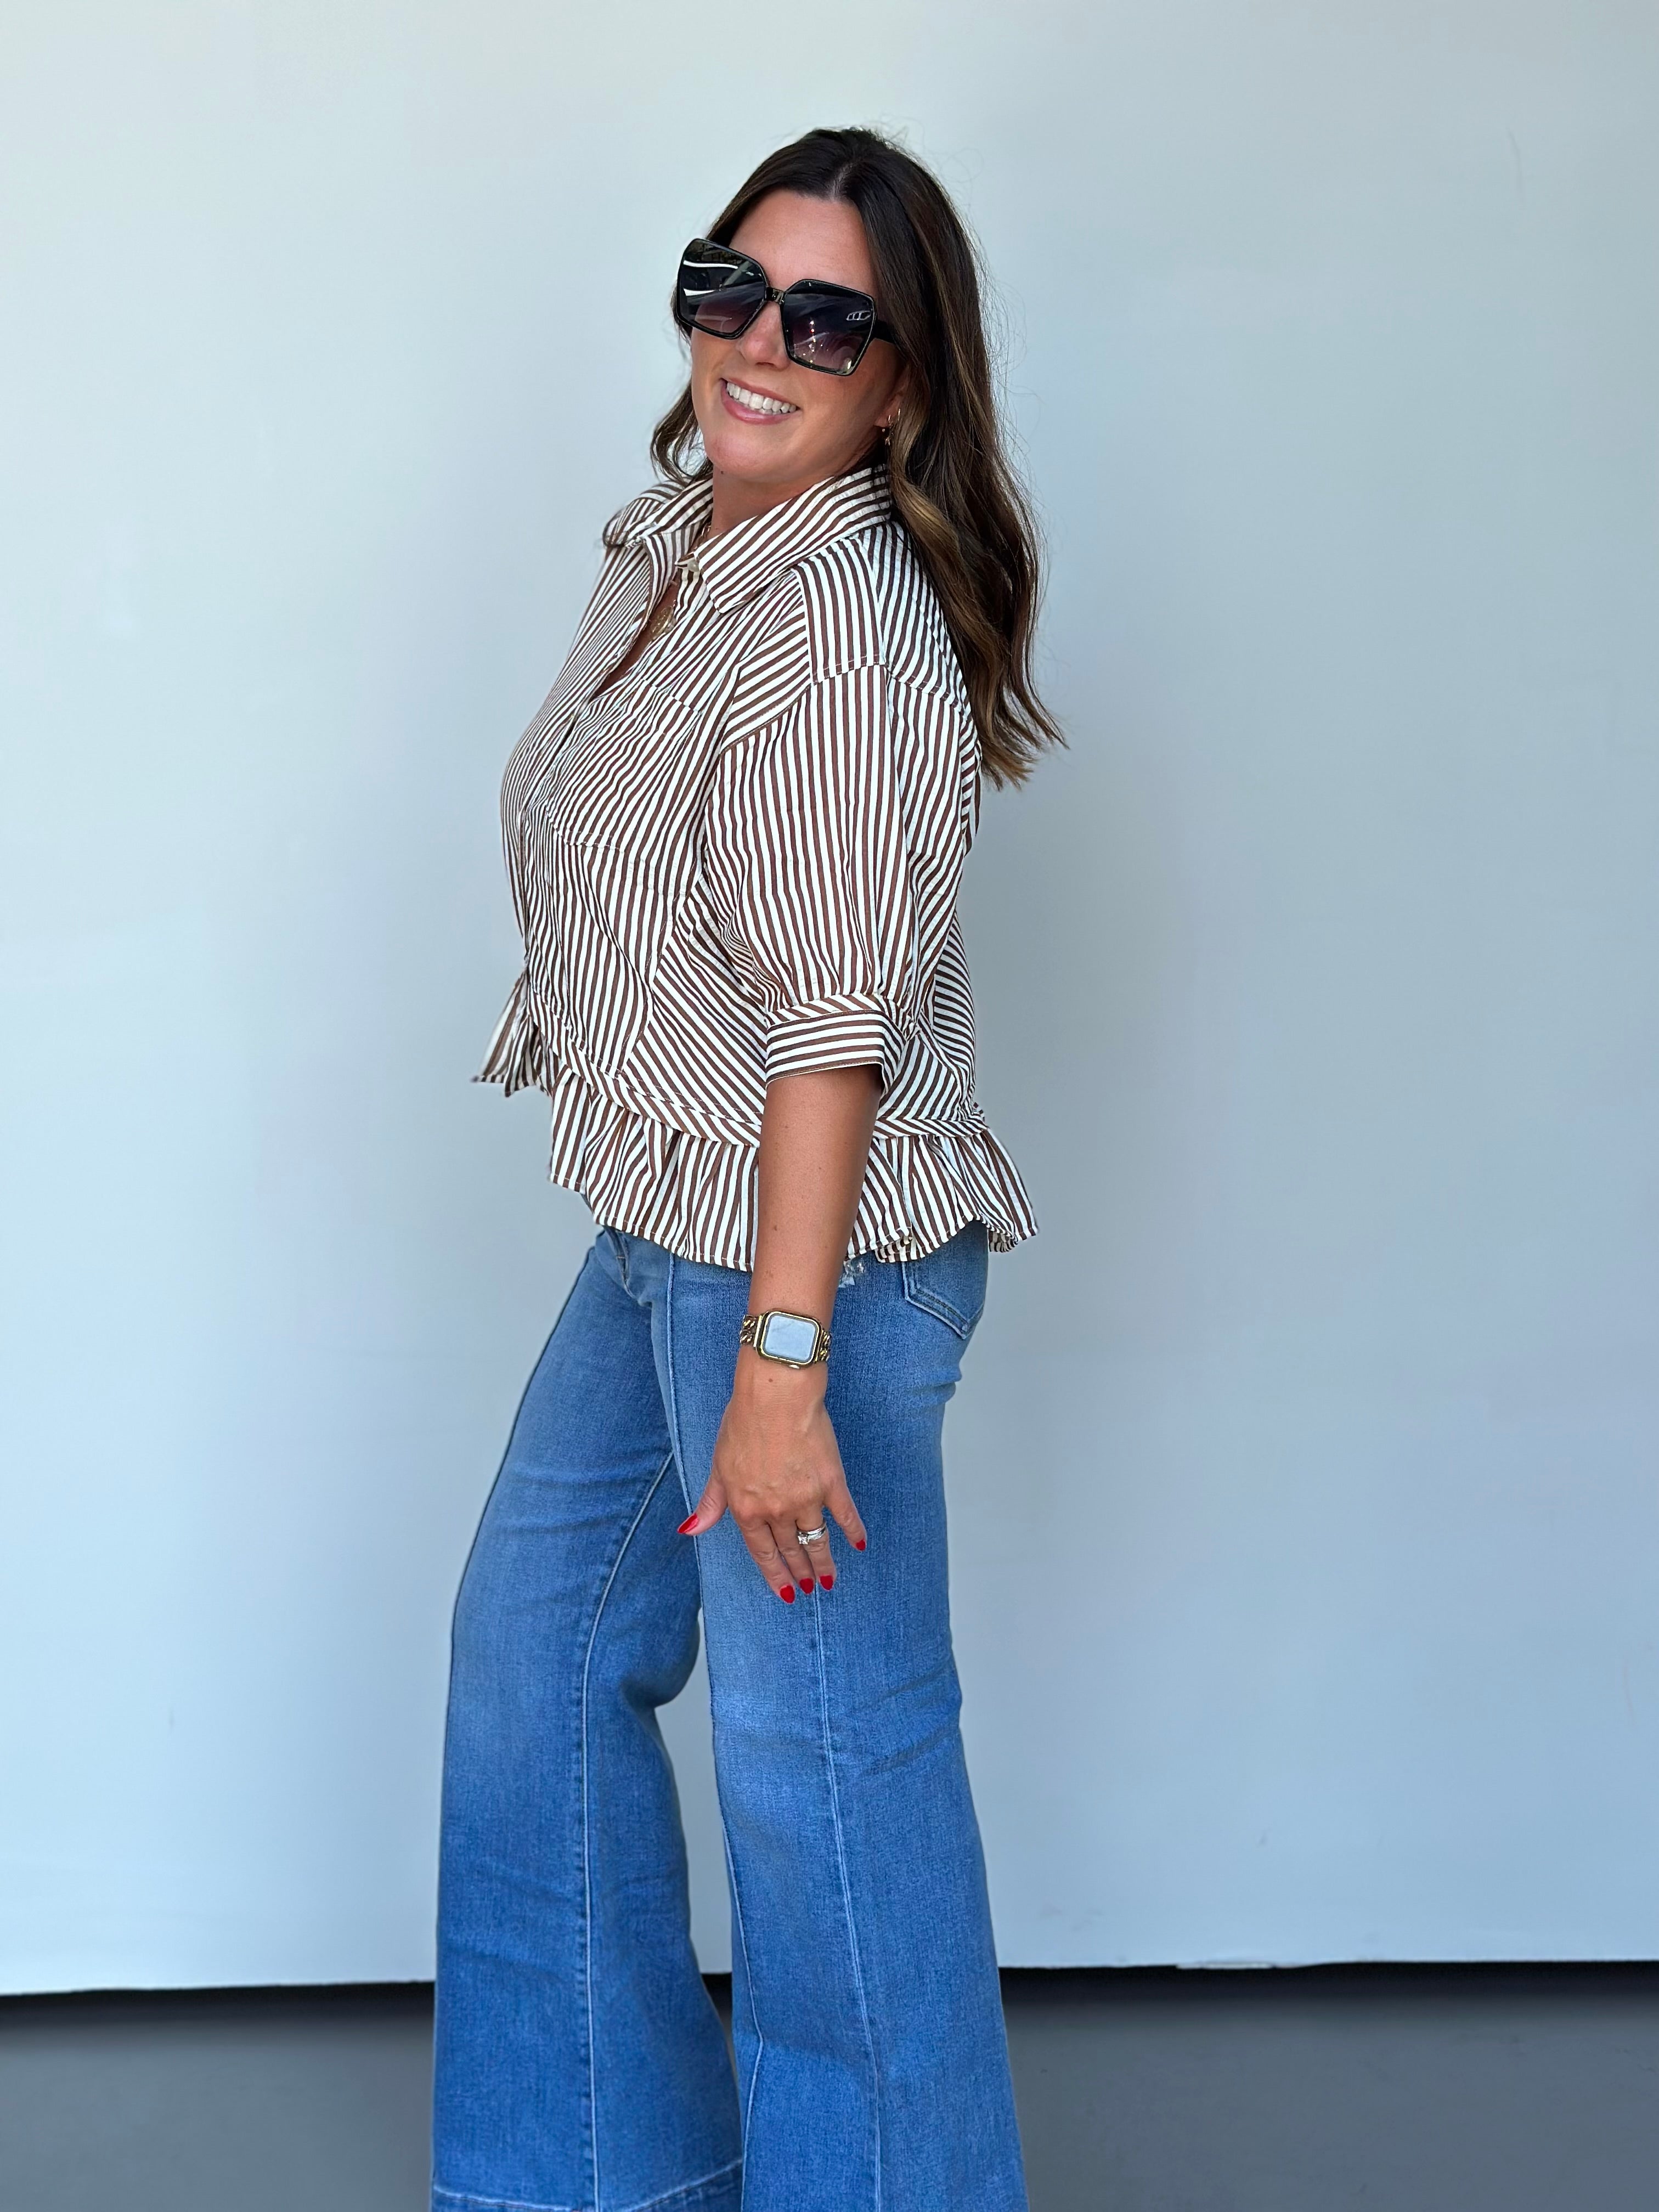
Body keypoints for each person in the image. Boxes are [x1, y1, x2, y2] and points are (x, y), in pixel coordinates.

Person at [432, 125, 1060, 2212]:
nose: (761, 344)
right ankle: (584, 2180)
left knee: (826, 1783)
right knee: (537, 1664)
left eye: (826, 321)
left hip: (810, 1269)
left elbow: (830, 1034)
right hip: (668, 1224)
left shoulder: (840, 622)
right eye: (732, 289)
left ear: (905, 380)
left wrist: (784, 1367)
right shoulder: (680, 548)